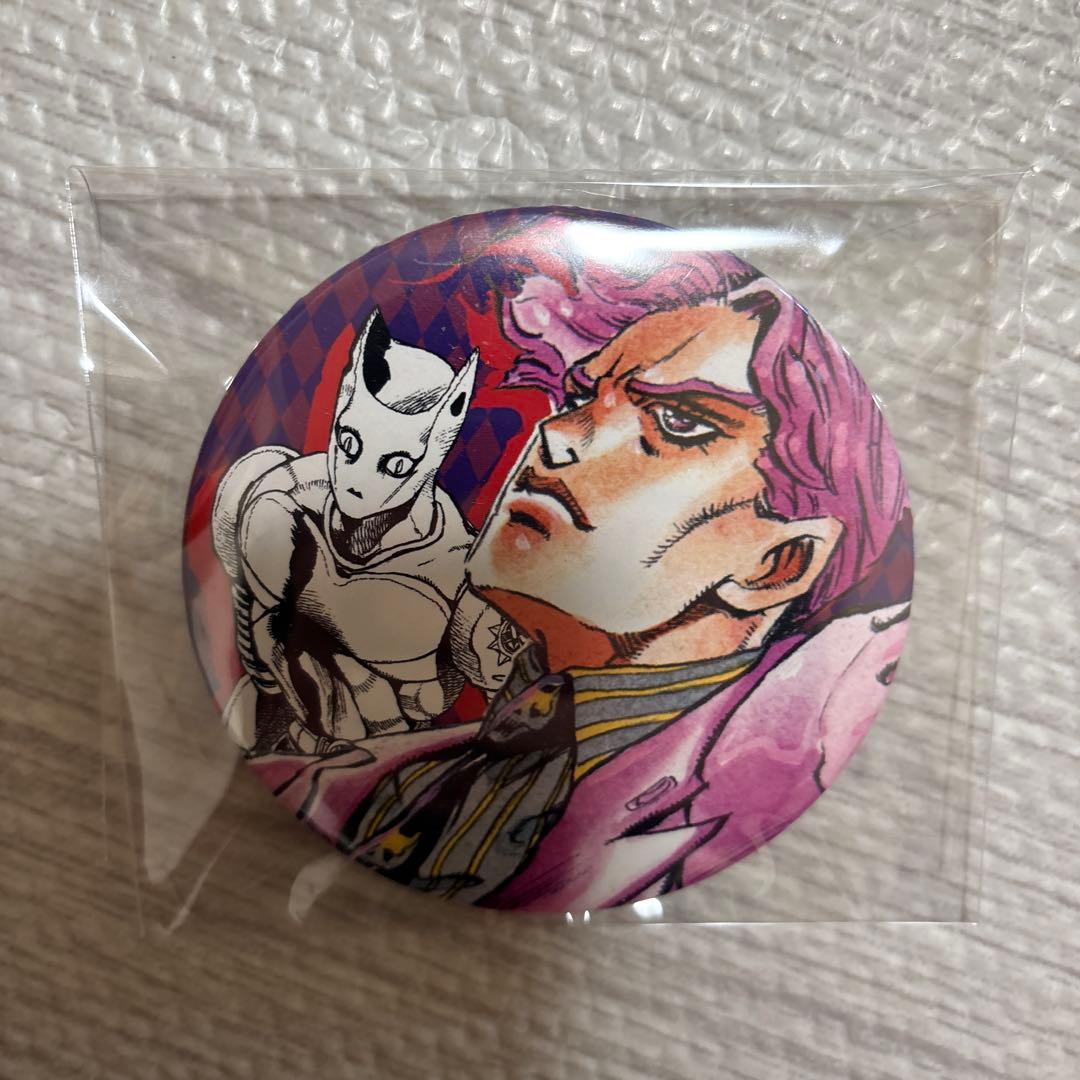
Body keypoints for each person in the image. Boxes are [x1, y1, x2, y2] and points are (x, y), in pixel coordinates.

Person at [252, 225, 913, 912]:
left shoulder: (731, 790)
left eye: (679, 423)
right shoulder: (366, 776)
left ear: (777, 564)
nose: (558, 435)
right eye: (582, 397)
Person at [211, 307, 515, 755]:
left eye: (396, 465)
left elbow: (507, 697)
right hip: (266, 714)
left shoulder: (459, 565)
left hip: (381, 750)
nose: (355, 479)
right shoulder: (280, 489)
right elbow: (248, 618)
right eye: (349, 443)